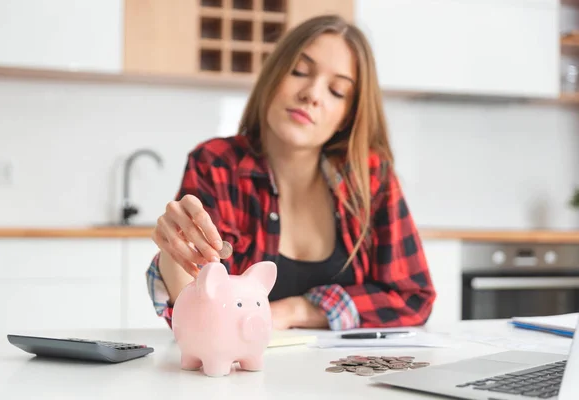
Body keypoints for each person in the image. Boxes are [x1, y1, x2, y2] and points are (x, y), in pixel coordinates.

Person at [146, 14, 436, 331]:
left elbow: (413, 298)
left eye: (337, 91)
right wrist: (173, 254)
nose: (312, 94)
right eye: (299, 71)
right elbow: (201, 315)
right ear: (274, 75)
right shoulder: (217, 163)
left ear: (345, 117)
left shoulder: (370, 177)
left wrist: (298, 310)